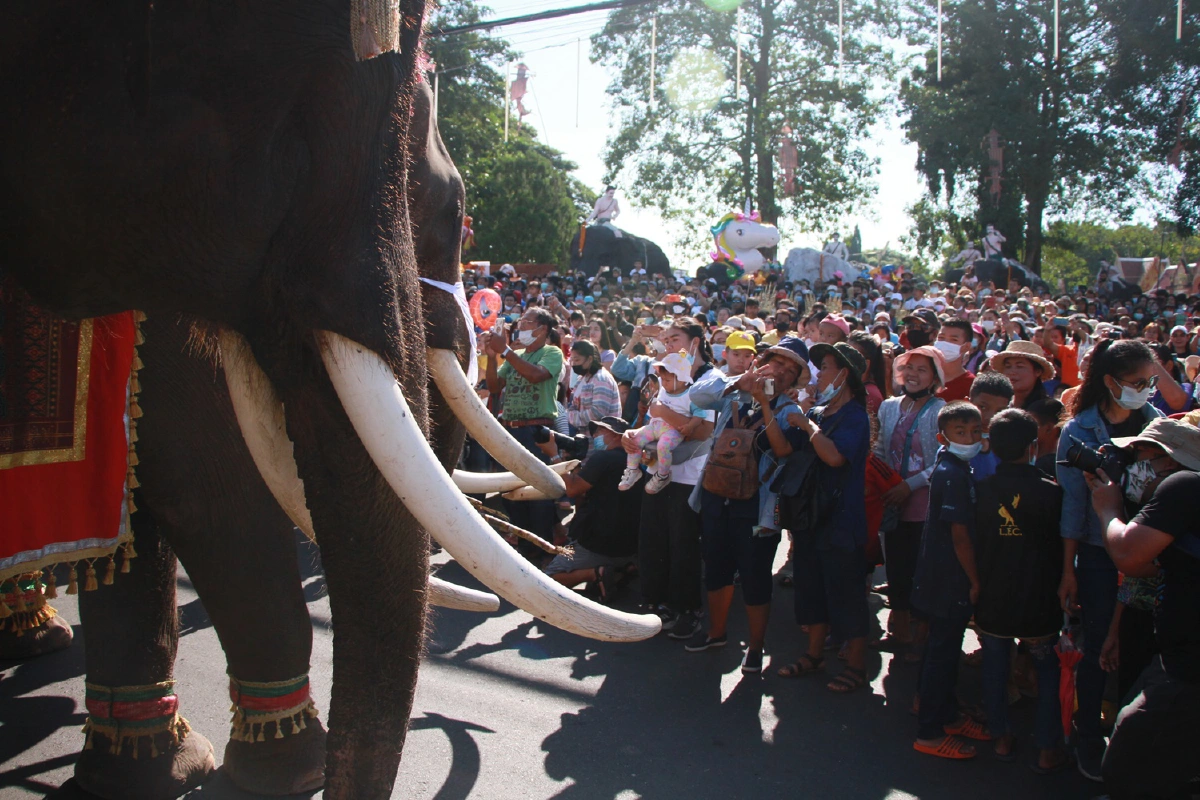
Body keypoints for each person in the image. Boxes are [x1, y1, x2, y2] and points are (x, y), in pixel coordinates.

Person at [1055, 338, 1163, 782]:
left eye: (1152, 382)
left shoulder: (1157, 425)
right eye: (1138, 383)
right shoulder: (1078, 431)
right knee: (1098, 646)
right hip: (1098, 555)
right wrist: (1068, 570)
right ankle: (1086, 737)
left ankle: (1127, 735)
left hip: (1146, 551)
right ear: (1110, 383)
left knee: (1138, 646)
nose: (1147, 390)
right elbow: (1073, 509)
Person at [1087, 421, 1200, 799]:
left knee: (1128, 763)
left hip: (1188, 670)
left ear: (1169, 460)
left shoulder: (1183, 486)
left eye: (1141, 456)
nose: (1133, 466)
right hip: (1177, 659)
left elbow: (1129, 556)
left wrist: (1109, 509)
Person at [684, 338, 810, 673]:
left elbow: (783, 451)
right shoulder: (734, 392)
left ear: (797, 378)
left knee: (755, 576)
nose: (780, 372)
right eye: (776, 363)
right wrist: (740, 380)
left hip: (759, 506)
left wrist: (765, 404)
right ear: (762, 362)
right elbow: (697, 394)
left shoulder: (790, 410)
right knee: (716, 567)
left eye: (789, 369)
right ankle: (716, 632)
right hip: (716, 493)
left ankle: (755, 647)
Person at [973, 409, 1068, 772]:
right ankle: (1047, 748)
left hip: (993, 595)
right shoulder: (1052, 493)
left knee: (995, 666)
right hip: (1039, 598)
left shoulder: (980, 490)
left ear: (991, 446)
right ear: (1033, 446)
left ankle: (1001, 737)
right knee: (1047, 671)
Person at [776, 342, 873, 693]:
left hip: (840, 518)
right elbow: (782, 447)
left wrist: (806, 425)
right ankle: (814, 655)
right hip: (808, 517)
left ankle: (857, 666)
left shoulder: (855, 417)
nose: (820, 375)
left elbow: (834, 458)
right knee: (811, 588)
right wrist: (766, 403)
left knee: (846, 593)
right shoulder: (815, 411)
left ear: (845, 374)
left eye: (827, 367)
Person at [624, 318, 717, 639]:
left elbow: (704, 431)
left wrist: (668, 419)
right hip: (656, 471)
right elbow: (654, 422)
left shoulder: (709, 381)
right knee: (652, 540)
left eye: (675, 338)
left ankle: (687, 609)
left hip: (689, 477)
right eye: (664, 340)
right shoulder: (664, 373)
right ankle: (655, 604)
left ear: (696, 341)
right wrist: (634, 439)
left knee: (683, 545)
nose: (668, 344)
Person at [911, 401, 989, 759]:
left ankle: (946, 714)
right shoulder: (953, 473)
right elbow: (960, 536)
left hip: (939, 576)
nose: (970, 438)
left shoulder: (954, 466)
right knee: (942, 653)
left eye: (975, 431)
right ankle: (929, 732)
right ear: (944, 436)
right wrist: (975, 580)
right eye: (961, 432)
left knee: (941, 649)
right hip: (949, 579)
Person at [876, 346, 947, 658]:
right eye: (909, 368)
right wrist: (878, 479)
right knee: (897, 567)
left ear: (934, 377)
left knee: (923, 570)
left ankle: (922, 638)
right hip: (893, 502)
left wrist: (910, 485)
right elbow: (880, 448)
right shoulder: (889, 407)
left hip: (924, 505)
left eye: (922, 370)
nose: (913, 375)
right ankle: (899, 632)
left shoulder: (941, 410)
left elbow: (943, 459)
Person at [483, 308, 565, 563]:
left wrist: (505, 351)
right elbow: (495, 387)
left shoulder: (552, 353)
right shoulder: (515, 355)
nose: (521, 326)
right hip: (511, 429)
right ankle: (525, 547)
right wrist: (493, 357)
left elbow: (535, 375)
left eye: (528, 322)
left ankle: (541, 550)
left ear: (542, 329)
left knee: (537, 493)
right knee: (512, 491)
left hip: (535, 430)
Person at [545, 417, 643, 599]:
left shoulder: (604, 458)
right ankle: (622, 569)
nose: (595, 436)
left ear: (615, 435)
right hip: (629, 546)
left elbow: (573, 490)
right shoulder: (638, 461)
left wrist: (553, 455)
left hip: (597, 543)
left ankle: (595, 573)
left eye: (599, 431)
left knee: (547, 579)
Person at [620, 351, 702, 495]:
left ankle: (663, 475)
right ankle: (633, 469)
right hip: (654, 426)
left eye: (668, 380)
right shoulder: (663, 390)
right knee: (635, 439)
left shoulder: (691, 395)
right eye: (662, 379)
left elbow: (699, 415)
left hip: (673, 431)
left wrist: (690, 426)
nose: (663, 383)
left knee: (663, 446)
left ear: (682, 379)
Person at [566, 340, 621, 448]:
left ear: (590, 359)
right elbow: (573, 405)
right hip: (583, 439)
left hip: (599, 442)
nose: (574, 364)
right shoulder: (582, 378)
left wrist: (570, 417)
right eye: (572, 360)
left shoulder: (601, 379)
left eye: (577, 360)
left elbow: (597, 413)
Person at [966, 372, 1013, 481]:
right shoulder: (954, 439)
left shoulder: (1009, 442)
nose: (989, 417)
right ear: (967, 403)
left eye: (999, 411)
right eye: (982, 407)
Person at [989, 340, 1052, 410]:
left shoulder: (1048, 409)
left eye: (1019, 366)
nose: (1012, 372)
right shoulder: (999, 406)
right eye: (1008, 366)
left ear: (1038, 371)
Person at [934, 319, 977, 401]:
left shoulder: (972, 385)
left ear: (966, 346)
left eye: (953, 340)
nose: (945, 343)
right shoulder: (924, 377)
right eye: (941, 338)